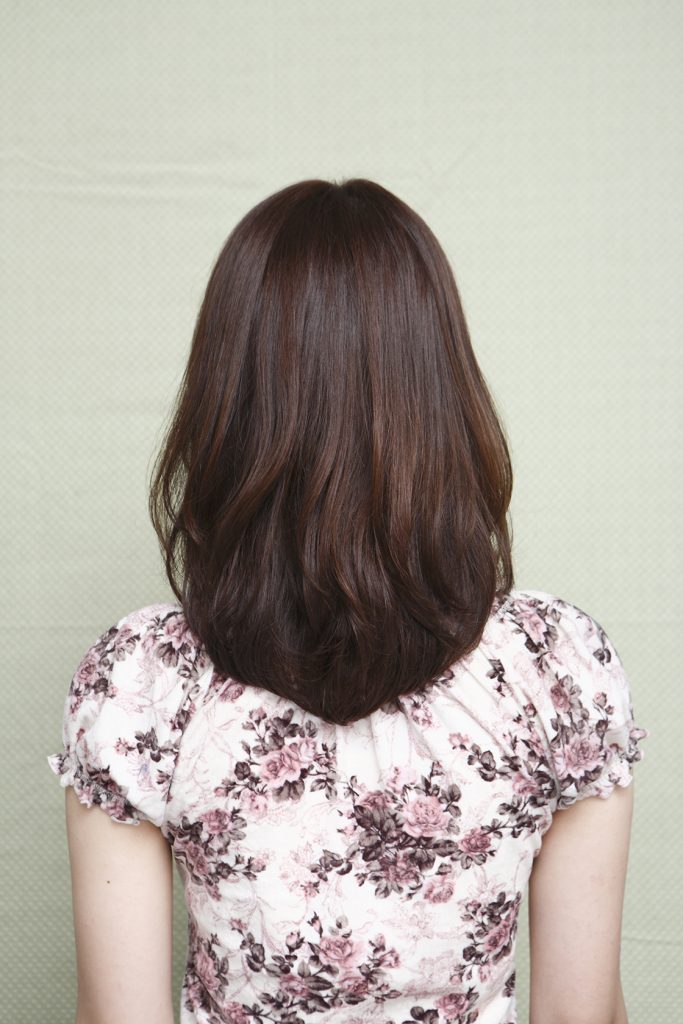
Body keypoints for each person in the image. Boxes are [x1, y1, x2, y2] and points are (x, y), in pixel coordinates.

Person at [47, 178, 649, 1024]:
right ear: (440, 392)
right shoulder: (556, 670)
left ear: (228, 403)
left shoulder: (142, 685)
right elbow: (581, 1015)